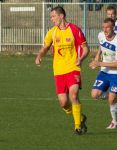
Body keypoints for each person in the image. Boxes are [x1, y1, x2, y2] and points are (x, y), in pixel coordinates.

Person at [35, 6, 90, 135]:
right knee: (64, 103)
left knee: (74, 95)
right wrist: (39, 56)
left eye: (53, 16)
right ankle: (81, 117)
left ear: (61, 16)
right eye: (51, 17)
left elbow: (86, 49)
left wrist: (81, 59)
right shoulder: (52, 32)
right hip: (59, 71)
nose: (52, 19)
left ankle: (77, 127)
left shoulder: (74, 29)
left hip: (73, 68)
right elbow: (45, 47)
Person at [90, 18, 117, 129]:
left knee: (111, 99)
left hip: (116, 74)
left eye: (107, 27)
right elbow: (101, 46)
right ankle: (114, 96)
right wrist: (97, 56)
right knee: (94, 95)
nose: (105, 30)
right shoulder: (101, 35)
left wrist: (99, 63)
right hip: (104, 72)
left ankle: (115, 122)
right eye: (103, 27)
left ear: (113, 28)